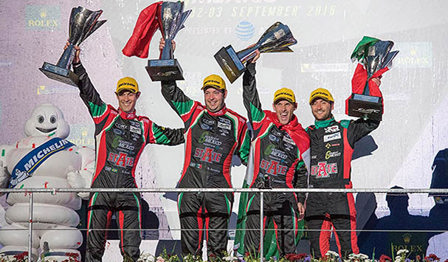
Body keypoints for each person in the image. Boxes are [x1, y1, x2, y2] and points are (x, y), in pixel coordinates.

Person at [71, 45, 185, 262]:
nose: (126, 98)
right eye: (122, 94)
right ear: (117, 96)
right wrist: (77, 63)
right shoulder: (105, 116)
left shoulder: (145, 125)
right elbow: (88, 91)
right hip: (101, 189)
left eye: (130, 94)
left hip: (127, 191)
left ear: (137, 96)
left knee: (131, 250)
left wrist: (192, 131)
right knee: (94, 249)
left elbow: (171, 136)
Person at [159, 40, 251, 260]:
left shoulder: (238, 122)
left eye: (215, 92)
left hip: (220, 192)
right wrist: (166, 52)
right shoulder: (193, 112)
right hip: (190, 189)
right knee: (190, 251)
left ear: (224, 94)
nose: (211, 97)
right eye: (207, 92)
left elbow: (250, 157)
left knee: (217, 252)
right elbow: (169, 90)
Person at [236, 51, 310, 259]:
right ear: (274, 107)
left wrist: (302, 198)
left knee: (287, 247)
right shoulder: (263, 122)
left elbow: (303, 173)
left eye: (288, 104)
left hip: (285, 194)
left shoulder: (302, 137)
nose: (283, 108)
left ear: (294, 107)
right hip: (259, 190)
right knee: (252, 245)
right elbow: (250, 97)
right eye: (280, 104)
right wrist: (250, 69)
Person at [305, 84, 381, 258]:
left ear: (331, 106)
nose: (318, 107)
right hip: (315, 195)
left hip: (341, 194)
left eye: (323, 102)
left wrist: (373, 88)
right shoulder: (306, 133)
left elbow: (373, 121)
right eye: (315, 103)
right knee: (318, 251)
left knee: (349, 250)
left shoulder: (345, 128)